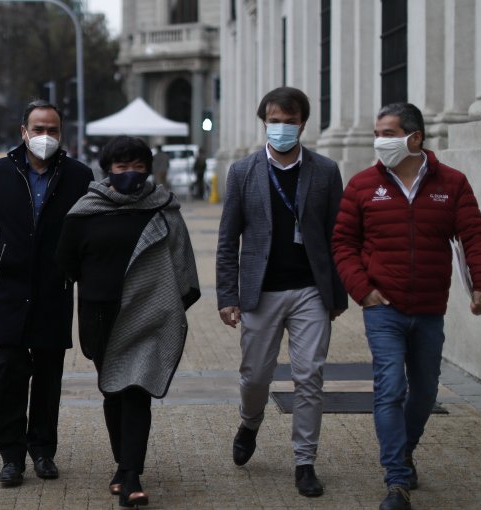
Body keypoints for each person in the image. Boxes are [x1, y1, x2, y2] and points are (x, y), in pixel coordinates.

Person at [332, 102, 481, 510]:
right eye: (377, 133)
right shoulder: (363, 185)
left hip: (428, 309)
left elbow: (475, 236)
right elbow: (343, 243)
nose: (379, 141)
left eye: (388, 133)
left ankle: (405, 449)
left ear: (415, 137)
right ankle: (396, 480)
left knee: (423, 392)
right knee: (390, 388)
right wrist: (363, 291)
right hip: (382, 307)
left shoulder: (452, 184)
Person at [215, 86, 347, 497]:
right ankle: (249, 421)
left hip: (310, 290)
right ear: (264, 123)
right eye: (275, 121)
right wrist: (227, 295)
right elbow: (227, 239)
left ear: (302, 124)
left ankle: (304, 461)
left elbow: (338, 236)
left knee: (309, 376)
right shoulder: (242, 172)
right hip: (260, 292)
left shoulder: (325, 171)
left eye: (290, 121)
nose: (282, 128)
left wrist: (337, 294)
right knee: (255, 376)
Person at [57, 136, 200, 508]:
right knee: (113, 390)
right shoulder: (86, 209)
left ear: (148, 169)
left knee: (136, 390)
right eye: (122, 167)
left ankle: (132, 474)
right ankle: (123, 465)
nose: (130, 173)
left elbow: (182, 259)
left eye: (137, 166)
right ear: (109, 170)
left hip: (147, 315)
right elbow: (66, 262)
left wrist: (167, 303)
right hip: (100, 315)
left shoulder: (163, 208)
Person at [0, 100, 93, 487]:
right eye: (38, 129)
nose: (45, 137)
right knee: (9, 370)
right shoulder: (1, 172)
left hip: (55, 287)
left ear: (61, 133)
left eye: (52, 129)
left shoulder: (78, 176)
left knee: (49, 373)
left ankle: (42, 450)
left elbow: (88, 236)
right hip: (10, 285)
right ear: (23, 132)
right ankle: (10, 454)